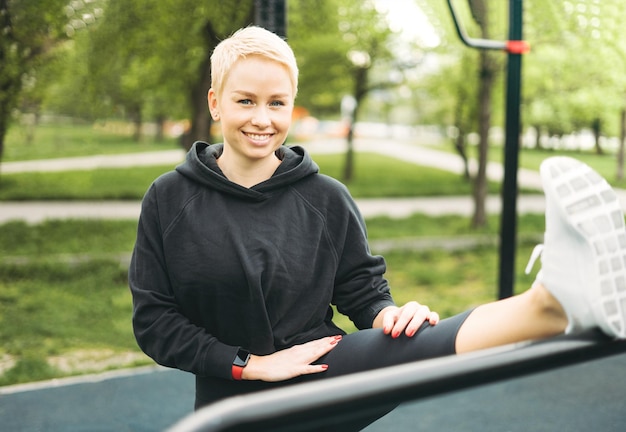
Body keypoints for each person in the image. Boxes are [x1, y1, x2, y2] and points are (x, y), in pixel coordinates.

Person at [128, 26, 626, 430]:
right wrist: (250, 363)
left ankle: (554, 303)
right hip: (230, 399)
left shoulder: (326, 198)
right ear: (216, 103)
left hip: (322, 372)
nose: (263, 118)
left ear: (293, 104)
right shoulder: (170, 199)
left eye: (277, 103)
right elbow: (155, 322)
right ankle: (559, 303)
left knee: (415, 342)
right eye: (246, 101)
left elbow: (362, 292)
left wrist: (389, 314)